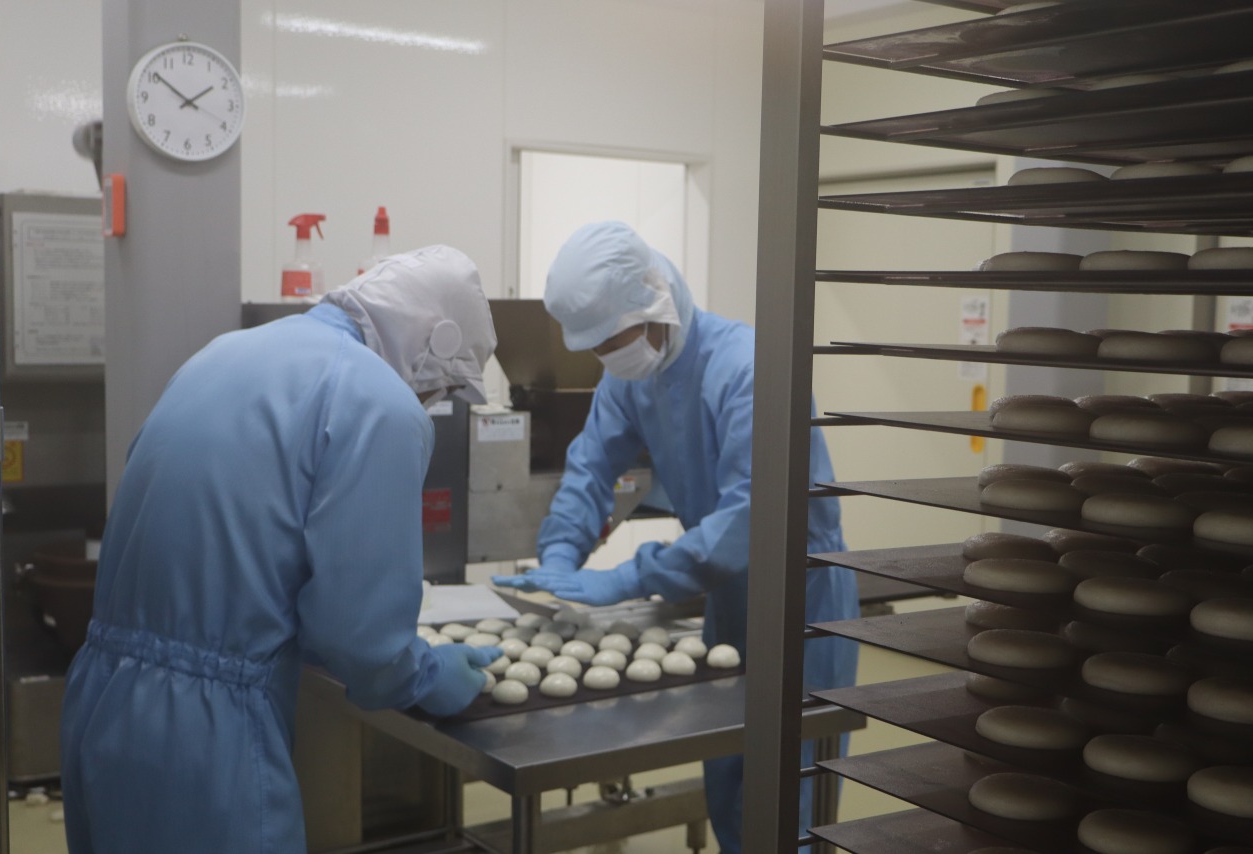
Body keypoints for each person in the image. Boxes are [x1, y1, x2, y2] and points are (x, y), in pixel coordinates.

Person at [60, 245, 501, 854]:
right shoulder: (379, 402)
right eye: (443, 387)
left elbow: (238, 562)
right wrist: (423, 675)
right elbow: (362, 636)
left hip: (102, 699)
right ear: (435, 345)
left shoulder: (221, 354)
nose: (432, 402)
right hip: (206, 739)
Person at [492, 221, 859, 852]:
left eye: (615, 341)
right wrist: (560, 555)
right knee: (729, 783)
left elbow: (753, 517)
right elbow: (590, 469)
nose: (610, 357)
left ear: (654, 301)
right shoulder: (632, 376)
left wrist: (630, 577)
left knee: (788, 801)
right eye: (598, 348)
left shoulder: (750, 369)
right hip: (727, 599)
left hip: (801, 605)